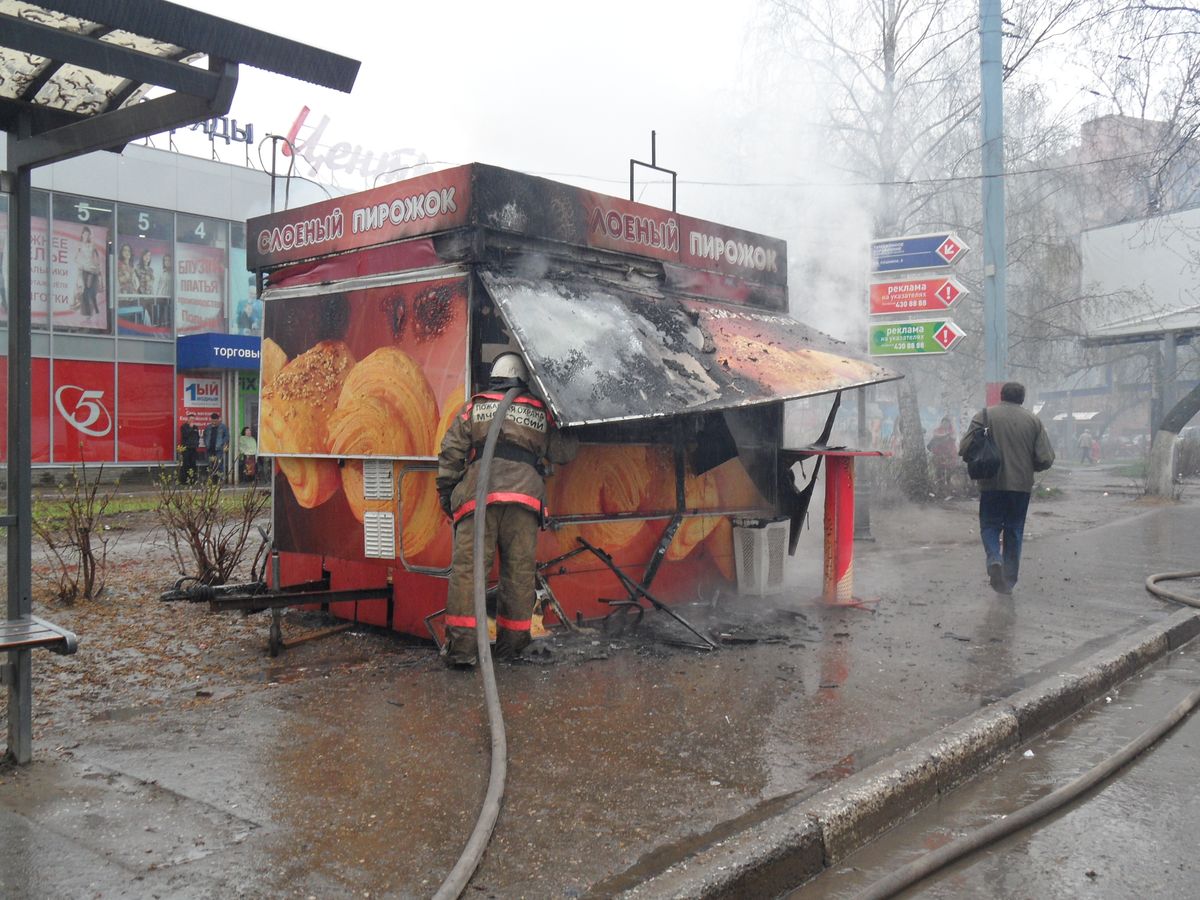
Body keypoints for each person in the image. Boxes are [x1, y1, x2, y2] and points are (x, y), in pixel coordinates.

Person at [436, 352, 578, 667]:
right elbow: (564, 452)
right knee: (518, 576)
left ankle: (462, 652)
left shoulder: (473, 407)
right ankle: (512, 647)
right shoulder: (540, 410)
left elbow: (450, 453)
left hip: (478, 500)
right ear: (524, 380)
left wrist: (448, 496)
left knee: (468, 575)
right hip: (523, 502)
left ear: (494, 377)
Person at [959, 382, 1055, 595]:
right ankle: (1008, 582)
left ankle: (994, 558)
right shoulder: (1033, 420)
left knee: (990, 525)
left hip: (991, 482)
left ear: (1001, 396)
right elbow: (1046, 458)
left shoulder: (983, 416)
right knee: (1014, 529)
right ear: (1022, 398)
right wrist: (1029, 465)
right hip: (1021, 486)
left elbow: (964, 448)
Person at [927, 415, 958, 494]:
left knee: (949, 473)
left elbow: (953, 440)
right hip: (939, 455)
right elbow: (934, 440)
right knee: (939, 472)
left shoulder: (952, 432)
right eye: (943, 423)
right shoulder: (937, 431)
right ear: (941, 423)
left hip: (949, 455)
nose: (945, 424)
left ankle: (949, 489)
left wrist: (947, 436)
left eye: (947, 423)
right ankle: (940, 489)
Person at [204, 411, 230, 483]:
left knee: (219, 464)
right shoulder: (208, 427)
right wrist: (206, 444)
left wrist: (222, 443)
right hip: (210, 449)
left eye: (215, 421)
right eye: (212, 421)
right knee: (210, 464)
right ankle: (211, 479)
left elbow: (227, 436)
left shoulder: (223, 427)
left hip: (218, 449)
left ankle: (220, 479)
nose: (214, 422)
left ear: (218, 420)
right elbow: (205, 436)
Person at [178, 416, 199, 484]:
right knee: (186, 464)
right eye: (191, 419)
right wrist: (190, 428)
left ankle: (193, 480)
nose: (192, 421)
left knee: (193, 464)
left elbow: (197, 436)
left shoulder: (195, 427)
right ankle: (184, 480)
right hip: (186, 449)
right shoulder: (184, 427)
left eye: (193, 419)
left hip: (193, 448)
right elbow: (185, 435)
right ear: (188, 419)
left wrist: (196, 444)